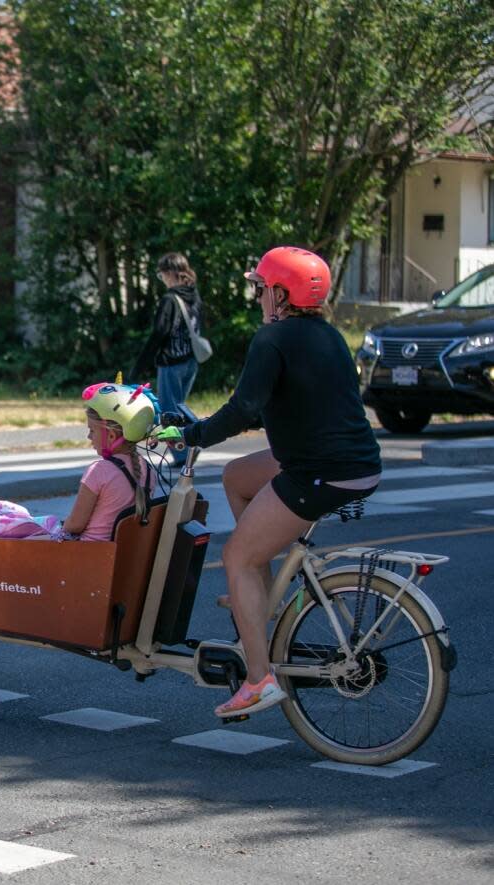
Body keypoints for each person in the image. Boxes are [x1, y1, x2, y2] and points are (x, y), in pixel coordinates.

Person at [179, 246, 381, 718]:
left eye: (260, 288)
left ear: (279, 294)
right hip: (356, 462)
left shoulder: (271, 340)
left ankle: (258, 678)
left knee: (236, 557)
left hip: (319, 471)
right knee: (238, 476)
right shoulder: (329, 335)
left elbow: (245, 409)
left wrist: (194, 433)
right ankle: (260, 601)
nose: (256, 297)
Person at [62, 382, 158, 541]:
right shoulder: (148, 471)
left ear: (112, 436)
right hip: (123, 556)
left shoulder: (99, 471)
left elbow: (75, 525)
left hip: (90, 556)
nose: (89, 437)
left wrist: (58, 526)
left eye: (92, 430)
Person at [132, 253, 204, 465]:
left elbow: (160, 332)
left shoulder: (170, 299)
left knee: (168, 411)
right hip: (191, 361)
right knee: (177, 406)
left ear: (169, 273)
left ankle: (188, 448)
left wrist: (140, 365)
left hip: (172, 362)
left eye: (161, 273)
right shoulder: (194, 296)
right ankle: (191, 443)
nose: (161, 278)